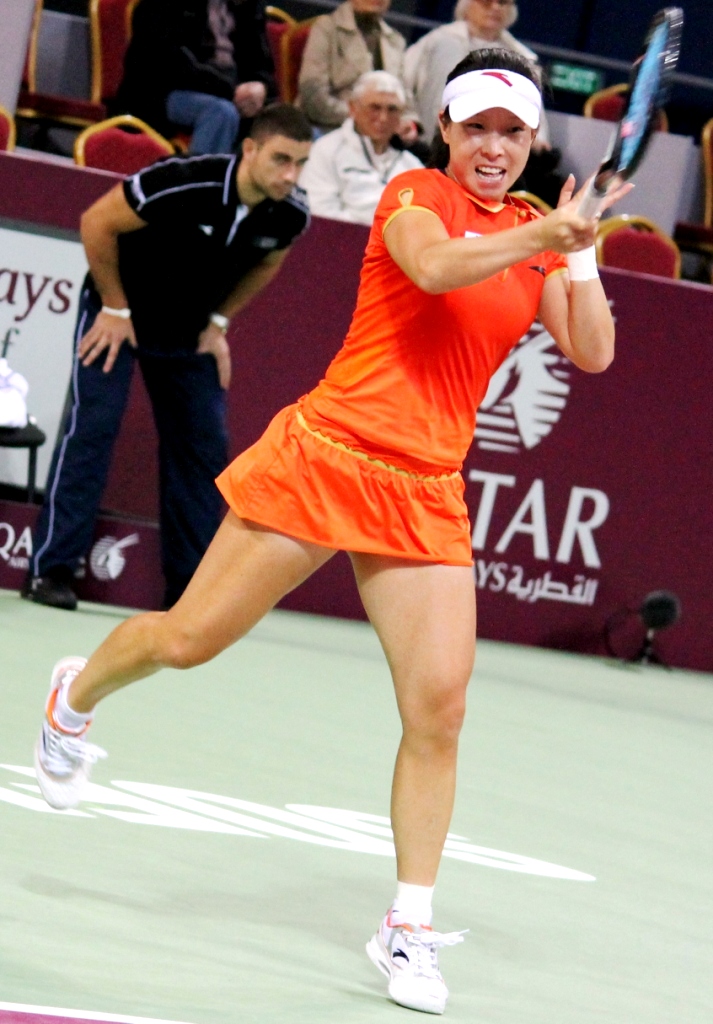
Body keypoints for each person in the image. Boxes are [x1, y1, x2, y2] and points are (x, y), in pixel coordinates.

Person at [32, 49, 630, 1014]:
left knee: (439, 713)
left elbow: (591, 352)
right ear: (445, 130)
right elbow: (433, 268)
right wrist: (544, 236)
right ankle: (75, 696)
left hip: (425, 489)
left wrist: (582, 249)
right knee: (187, 640)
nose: (491, 147)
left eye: (511, 132)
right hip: (331, 455)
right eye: (475, 127)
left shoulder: (538, 229)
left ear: (531, 141)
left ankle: (406, 925)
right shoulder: (413, 196)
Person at [23, 104, 311, 613]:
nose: (291, 176)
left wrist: (219, 322)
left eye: (300, 164)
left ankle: (187, 594)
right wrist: (114, 307)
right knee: (93, 426)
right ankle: (51, 570)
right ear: (249, 150)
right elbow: (96, 222)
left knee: (203, 445)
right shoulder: (183, 180)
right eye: (281, 160)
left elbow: (268, 262)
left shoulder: (291, 212)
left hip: (188, 331)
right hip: (122, 313)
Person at [404, 0, 564, 205]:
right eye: (486, 2)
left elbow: (534, 114)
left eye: (503, 2)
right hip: (427, 145)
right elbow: (402, 87)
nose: (495, 8)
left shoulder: (523, 57)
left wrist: (538, 141)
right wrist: (409, 120)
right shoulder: (438, 42)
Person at [115, 0, 275, 155]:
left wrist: (260, 86)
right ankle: (198, 173)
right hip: (163, 91)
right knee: (221, 112)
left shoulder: (247, 4)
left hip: (226, 90)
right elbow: (172, 62)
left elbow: (261, 61)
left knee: (276, 119)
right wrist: (231, 91)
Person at [299, 70, 423, 226]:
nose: (383, 118)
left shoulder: (412, 165)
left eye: (392, 109)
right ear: (353, 108)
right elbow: (319, 213)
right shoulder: (326, 151)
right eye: (375, 108)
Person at [298, 0, 418, 143]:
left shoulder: (395, 40)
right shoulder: (326, 29)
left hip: (383, 135)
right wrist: (362, 117)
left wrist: (408, 123)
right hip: (333, 129)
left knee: (421, 151)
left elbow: (405, 99)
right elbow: (313, 96)